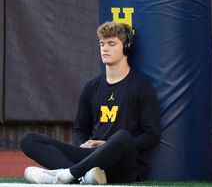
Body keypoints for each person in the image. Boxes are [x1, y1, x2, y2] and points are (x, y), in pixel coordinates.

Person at [20, 21, 161, 184]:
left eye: (111, 44)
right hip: (90, 158)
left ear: (126, 47)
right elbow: (80, 128)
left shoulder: (141, 87)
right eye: (102, 44)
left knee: (122, 137)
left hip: (122, 161)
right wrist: (82, 144)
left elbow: (152, 136)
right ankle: (81, 176)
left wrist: (108, 144)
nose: (105, 48)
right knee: (29, 140)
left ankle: (67, 175)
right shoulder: (91, 87)